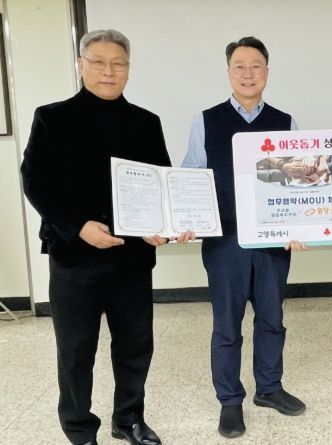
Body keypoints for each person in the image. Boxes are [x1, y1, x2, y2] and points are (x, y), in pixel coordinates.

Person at [21, 29, 173, 445]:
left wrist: (162, 225)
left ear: (128, 68)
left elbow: (161, 183)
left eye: (118, 63)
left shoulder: (146, 122)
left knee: (135, 345)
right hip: (75, 256)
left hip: (131, 257)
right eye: (99, 62)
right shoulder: (51, 117)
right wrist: (78, 226)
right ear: (81, 65)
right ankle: (79, 428)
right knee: (75, 350)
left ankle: (129, 419)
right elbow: (35, 182)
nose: (109, 71)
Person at [181, 36, 306, 439]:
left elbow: (299, 184)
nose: (248, 73)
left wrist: (300, 228)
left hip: (272, 241)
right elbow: (191, 177)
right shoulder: (205, 121)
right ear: (228, 72)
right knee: (227, 324)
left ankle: (269, 388)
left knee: (272, 318)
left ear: (267, 72)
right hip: (226, 242)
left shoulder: (286, 123)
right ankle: (230, 401)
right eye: (240, 66)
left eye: (256, 66)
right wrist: (184, 218)